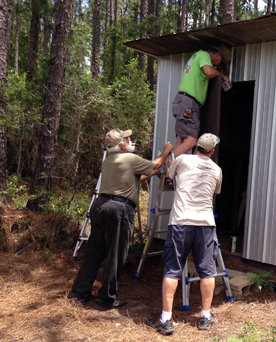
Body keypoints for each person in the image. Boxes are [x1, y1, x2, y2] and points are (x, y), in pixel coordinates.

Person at [71, 128, 173, 311]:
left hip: (100, 206)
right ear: (121, 145)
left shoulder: (109, 160)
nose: (131, 141)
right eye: (128, 139)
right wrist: (165, 152)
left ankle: (80, 293)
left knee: (94, 252)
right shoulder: (130, 159)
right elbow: (156, 164)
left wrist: (152, 172)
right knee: (115, 254)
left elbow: (136, 178)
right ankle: (106, 300)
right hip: (118, 210)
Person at [146, 133, 223, 335]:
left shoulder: (183, 159)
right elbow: (216, 191)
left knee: (172, 269)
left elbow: (169, 175)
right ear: (212, 151)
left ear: (196, 145)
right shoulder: (216, 169)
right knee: (207, 270)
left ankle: (165, 319)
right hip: (205, 224)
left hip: (181, 222)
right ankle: (205, 316)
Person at [172, 45, 232, 157]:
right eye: (221, 63)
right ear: (218, 55)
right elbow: (209, 71)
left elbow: (208, 75)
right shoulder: (204, 55)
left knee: (181, 141)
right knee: (191, 141)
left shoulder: (196, 57)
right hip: (189, 102)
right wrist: (222, 76)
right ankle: (165, 166)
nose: (219, 66)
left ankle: (170, 171)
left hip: (183, 101)